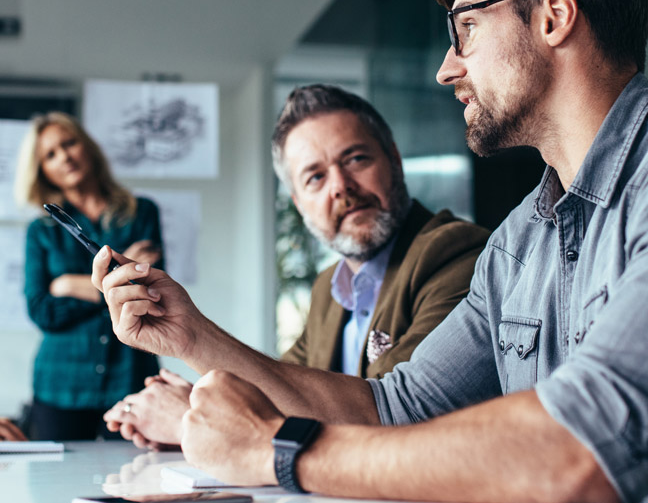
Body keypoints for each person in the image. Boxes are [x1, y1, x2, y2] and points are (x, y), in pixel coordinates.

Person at [92, 0, 648, 503]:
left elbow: (585, 448)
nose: (447, 69)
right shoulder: (520, 241)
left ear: (553, 17)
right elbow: (396, 408)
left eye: (465, 30)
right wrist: (191, 337)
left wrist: (278, 450)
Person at [103, 85, 489, 449]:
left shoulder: (455, 254)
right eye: (315, 177)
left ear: (394, 159)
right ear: (299, 202)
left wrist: (192, 417)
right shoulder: (329, 288)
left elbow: (390, 418)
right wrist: (200, 395)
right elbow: (282, 390)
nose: (340, 186)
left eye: (355, 159)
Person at [15, 111, 164, 440]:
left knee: (136, 480)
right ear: (42, 171)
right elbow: (42, 310)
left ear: (87, 148)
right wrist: (115, 285)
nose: (64, 156)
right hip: (61, 385)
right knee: (56, 488)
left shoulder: (142, 213)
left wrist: (68, 285)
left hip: (130, 377)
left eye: (69, 144)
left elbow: (150, 293)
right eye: (50, 155)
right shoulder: (41, 232)